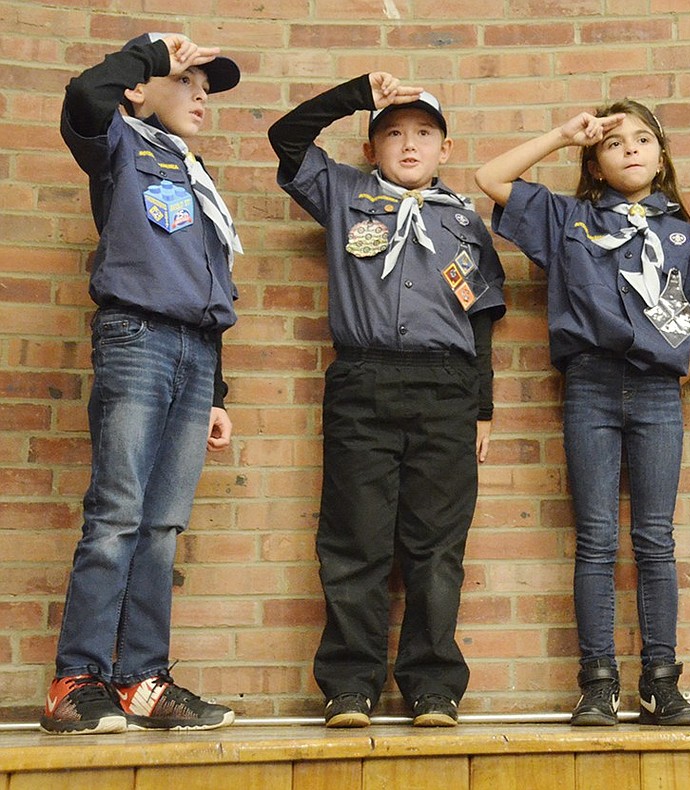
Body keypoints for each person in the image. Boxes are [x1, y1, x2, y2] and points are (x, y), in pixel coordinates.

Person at [475, 100, 690, 727]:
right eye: (614, 142)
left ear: (663, 154)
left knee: (655, 540)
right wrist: (564, 136)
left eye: (644, 138)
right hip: (589, 388)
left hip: (654, 391)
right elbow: (491, 179)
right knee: (594, 540)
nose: (631, 149)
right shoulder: (568, 219)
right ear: (594, 162)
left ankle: (661, 681)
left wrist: (674, 384)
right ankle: (598, 683)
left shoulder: (680, 233)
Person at [268, 74, 506, 729]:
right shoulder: (345, 193)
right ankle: (350, 684)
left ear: (445, 148)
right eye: (392, 132)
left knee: (436, 546)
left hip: (446, 390)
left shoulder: (463, 220)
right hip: (364, 382)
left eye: (423, 133)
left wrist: (482, 407)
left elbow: (482, 318)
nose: (408, 144)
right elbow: (286, 138)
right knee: (355, 541)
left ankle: (433, 687)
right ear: (371, 147)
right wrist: (354, 95)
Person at [42, 33, 241, 735]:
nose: (200, 100)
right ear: (140, 89)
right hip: (137, 340)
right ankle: (77, 679)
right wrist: (150, 50)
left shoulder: (196, 174)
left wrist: (216, 392)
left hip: (193, 353)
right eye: (187, 83)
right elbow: (83, 97)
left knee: (161, 527)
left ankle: (142, 681)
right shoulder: (119, 145)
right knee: (119, 516)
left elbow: (209, 286)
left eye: (207, 92)